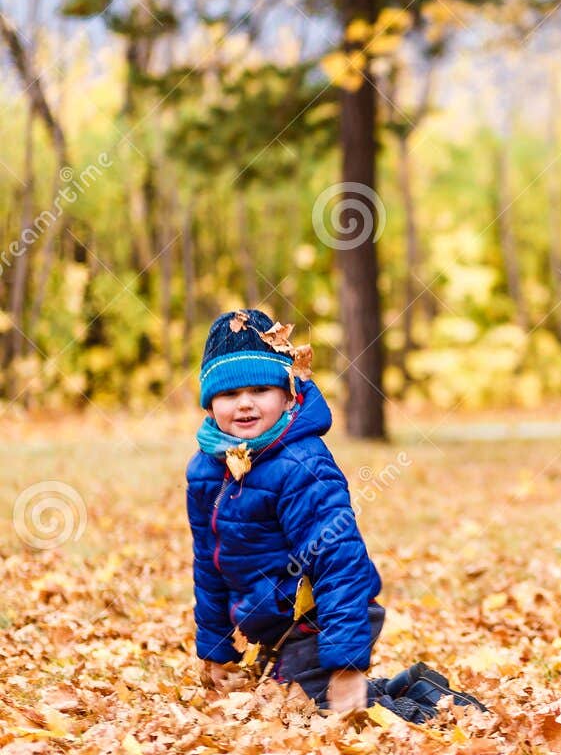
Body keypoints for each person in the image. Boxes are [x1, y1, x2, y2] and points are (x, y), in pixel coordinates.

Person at [187, 308, 484, 722]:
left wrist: (346, 665)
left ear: (289, 394)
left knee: (323, 712)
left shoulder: (301, 465)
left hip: (325, 614)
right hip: (278, 624)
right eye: (229, 394)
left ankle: (441, 712)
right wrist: (215, 649)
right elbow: (208, 565)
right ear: (210, 404)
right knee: (286, 705)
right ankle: (415, 686)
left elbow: (339, 561)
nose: (245, 404)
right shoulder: (206, 471)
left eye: (260, 389)